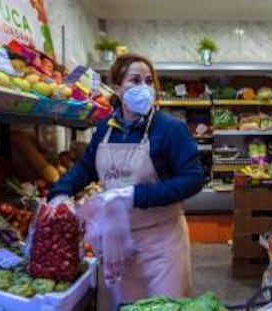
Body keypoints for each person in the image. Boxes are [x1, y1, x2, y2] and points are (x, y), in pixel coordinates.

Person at [48, 53, 204, 310]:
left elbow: (192, 179)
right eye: (134, 80)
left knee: (165, 305)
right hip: (116, 244)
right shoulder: (105, 129)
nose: (143, 87)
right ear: (118, 88)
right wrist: (59, 193)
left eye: (148, 81)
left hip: (161, 245)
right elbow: (85, 168)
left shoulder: (169, 129)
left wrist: (134, 195)